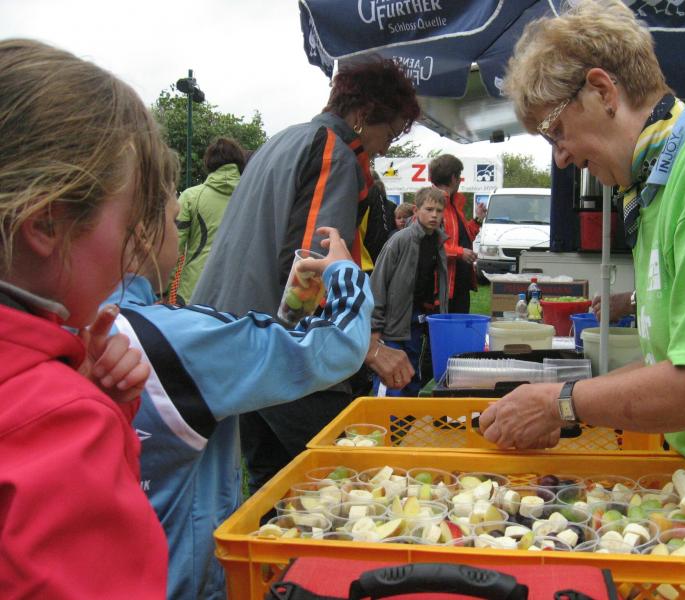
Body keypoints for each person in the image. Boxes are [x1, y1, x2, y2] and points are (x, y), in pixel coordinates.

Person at [478, 1, 685, 597]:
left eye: (555, 130)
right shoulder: (658, 185)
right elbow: (681, 358)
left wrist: (564, 403)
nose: (560, 156)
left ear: (602, 91)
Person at [105, 192, 372, 599]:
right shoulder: (180, 340)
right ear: (143, 234)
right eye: (176, 221)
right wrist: (344, 273)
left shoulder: (56, 327)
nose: (179, 235)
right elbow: (335, 347)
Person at [192, 59, 420, 493]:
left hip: (232, 341)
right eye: (389, 134)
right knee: (351, 484)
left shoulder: (278, 140)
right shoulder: (334, 151)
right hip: (279, 349)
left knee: (276, 490)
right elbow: (309, 269)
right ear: (362, 116)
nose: (384, 149)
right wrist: (370, 349)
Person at [0, 39, 172, 597]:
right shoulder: (63, 423)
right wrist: (83, 418)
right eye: (130, 220)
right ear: (47, 224)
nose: (135, 246)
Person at [370, 186, 449, 396]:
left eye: (439, 211)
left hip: (417, 321)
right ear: (416, 210)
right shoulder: (400, 240)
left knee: (411, 375)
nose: (434, 215)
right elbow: (378, 283)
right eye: (429, 209)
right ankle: (385, 415)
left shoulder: (439, 242)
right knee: (390, 378)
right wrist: (375, 325)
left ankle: (406, 416)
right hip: (392, 322)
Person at [170, 137, 246, 304]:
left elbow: (174, 247)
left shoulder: (191, 196)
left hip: (192, 294)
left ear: (209, 163)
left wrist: (163, 291)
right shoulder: (251, 199)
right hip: (235, 298)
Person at [428, 154, 478, 313]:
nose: (460, 181)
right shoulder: (434, 204)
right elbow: (430, 244)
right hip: (442, 286)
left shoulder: (453, 204)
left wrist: (477, 220)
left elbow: (462, 238)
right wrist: (460, 253)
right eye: (459, 176)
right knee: (442, 326)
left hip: (458, 285)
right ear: (453, 178)